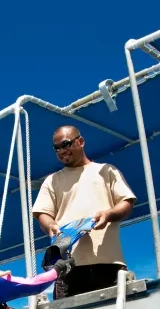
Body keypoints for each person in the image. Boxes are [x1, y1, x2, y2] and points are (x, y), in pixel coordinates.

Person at [32, 125, 136, 298]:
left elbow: (126, 202)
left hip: (109, 264)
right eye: (56, 148)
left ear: (81, 141)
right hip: (67, 269)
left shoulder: (106, 171)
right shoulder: (52, 180)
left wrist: (108, 214)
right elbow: (43, 213)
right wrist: (50, 226)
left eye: (65, 144)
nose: (61, 151)